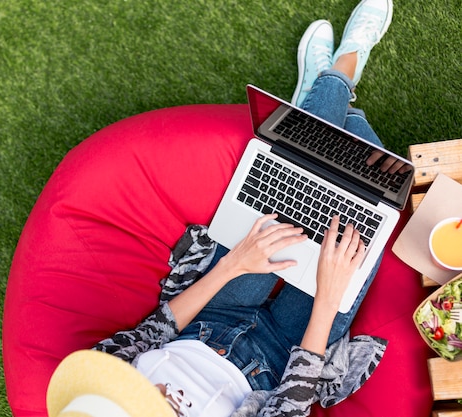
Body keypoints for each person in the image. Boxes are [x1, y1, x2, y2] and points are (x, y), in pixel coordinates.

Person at [47, 1, 394, 416]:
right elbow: (289, 407)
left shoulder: (96, 388)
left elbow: (157, 329)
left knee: (288, 184)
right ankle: (329, 97)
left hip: (214, 311)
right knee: (365, 215)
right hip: (284, 359)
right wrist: (329, 293)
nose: (157, 388)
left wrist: (236, 264)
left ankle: (342, 69)